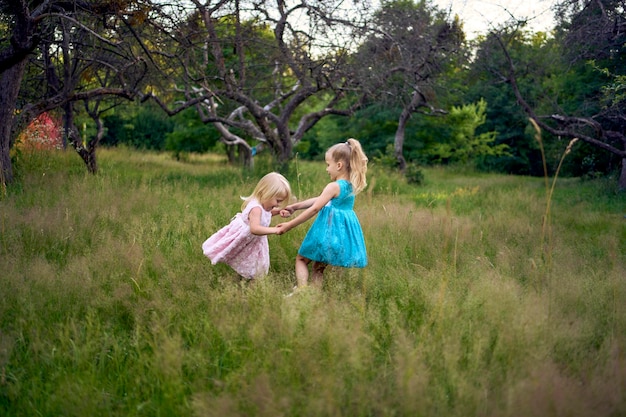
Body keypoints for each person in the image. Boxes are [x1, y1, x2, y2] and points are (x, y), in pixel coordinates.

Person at [277, 138, 368, 291]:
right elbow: (322, 200)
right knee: (318, 268)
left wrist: (289, 225)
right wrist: (295, 206)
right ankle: (314, 296)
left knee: (301, 259)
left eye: (328, 165)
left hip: (327, 233)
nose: (327, 169)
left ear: (339, 165)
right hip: (341, 237)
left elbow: (315, 208)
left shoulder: (333, 186)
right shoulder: (351, 186)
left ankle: (302, 291)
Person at [202, 172, 292, 281]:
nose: (278, 204)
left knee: (255, 264)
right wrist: (275, 230)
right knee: (246, 261)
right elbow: (254, 228)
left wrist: (279, 211)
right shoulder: (256, 209)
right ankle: (244, 283)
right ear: (266, 193)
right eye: (278, 201)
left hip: (254, 241)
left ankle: (245, 282)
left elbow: (267, 213)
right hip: (246, 238)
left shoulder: (264, 206)